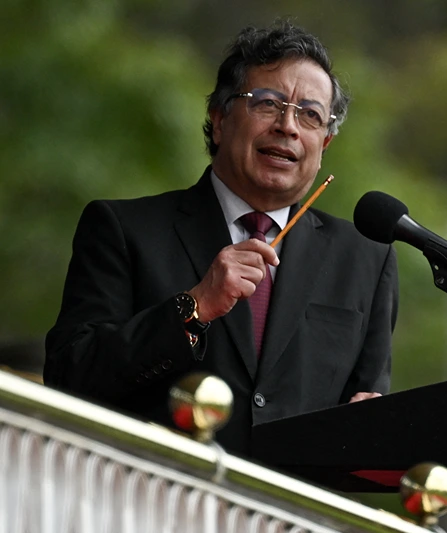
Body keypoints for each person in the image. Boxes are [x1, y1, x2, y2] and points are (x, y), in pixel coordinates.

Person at [44, 22, 398, 459]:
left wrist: (375, 426)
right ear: (218, 118)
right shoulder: (122, 227)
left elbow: (365, 409)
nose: (288, 126)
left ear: (324, 142)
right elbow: (69, 377)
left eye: (309, 114)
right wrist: (192, 308)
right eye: (268, 104)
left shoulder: (367, 258)